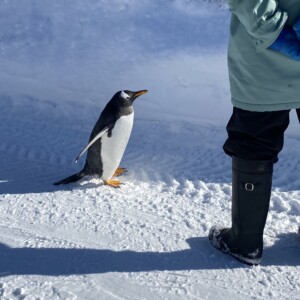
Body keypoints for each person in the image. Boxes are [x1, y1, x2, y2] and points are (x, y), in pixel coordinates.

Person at [208, 0, 300, 265]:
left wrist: (275, 30)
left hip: (262, 60)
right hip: (266, 51)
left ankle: (245, 242)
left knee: (253, 144)